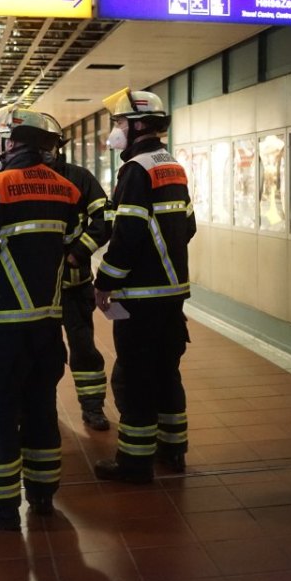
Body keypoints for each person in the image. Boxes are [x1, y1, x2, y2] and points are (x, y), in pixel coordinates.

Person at [0, 107, 82, 531]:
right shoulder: (66, 189)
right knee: (40, 406)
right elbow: (72, 241)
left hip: (5, 324)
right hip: (48, 322)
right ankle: (42, 492)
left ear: (12, 143)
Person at [93, 88, 196, 484]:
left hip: (140, 295)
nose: (115, 131)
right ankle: (173, 450)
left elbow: (128, 234)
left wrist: (105, 281)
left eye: (119, 123)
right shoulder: (172, 165)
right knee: (167, 370)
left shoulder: (135, 169)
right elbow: (187, 226)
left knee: (134, 376)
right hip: (172, 294)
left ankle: (134, 462)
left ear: (137, 125)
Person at [47, 127, 113, 432]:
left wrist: (77, 253)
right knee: (40, 353)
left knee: (84, 349)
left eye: (51, 144)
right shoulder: (19, 178)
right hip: (35, 291)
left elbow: (104, 219)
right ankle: (41, 407)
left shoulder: (79, 177)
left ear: (60, 146)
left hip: (74, 285)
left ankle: (93, 407)